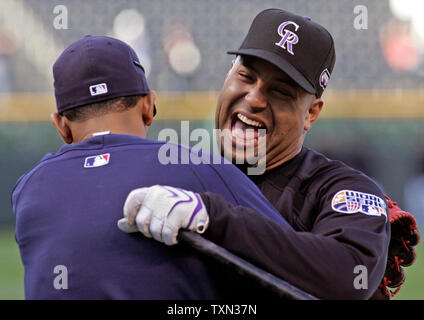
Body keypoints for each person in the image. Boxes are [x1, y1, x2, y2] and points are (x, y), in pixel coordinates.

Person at [119, 9, 419, 299]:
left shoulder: (338, 188)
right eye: (246, 76)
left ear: (311, 114)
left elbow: (349, 277)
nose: (254, 98)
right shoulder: (180, 175)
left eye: (280, 92)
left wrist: (212, 217)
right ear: (228, 76)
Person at [11, 35, 295, 299]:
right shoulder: (199, 167)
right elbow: (298, 265)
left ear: (61, 125)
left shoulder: (28, 190)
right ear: (149, 106)